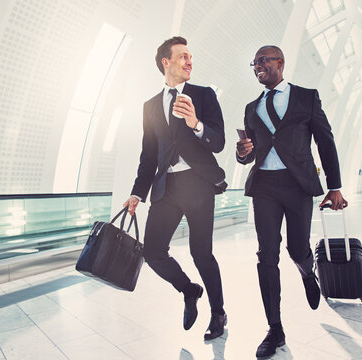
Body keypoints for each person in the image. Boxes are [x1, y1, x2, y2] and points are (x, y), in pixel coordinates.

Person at [236, 45, 347, 358]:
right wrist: (242, 152)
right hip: (264, 187)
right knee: (266, 255)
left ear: (279, 63)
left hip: (297, 185)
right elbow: (248, 153)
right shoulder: (250, 106)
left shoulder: (306, 97)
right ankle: (275, 328)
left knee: (297, 248)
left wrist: (334, 186)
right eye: (253, 62)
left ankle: (307, 271)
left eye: (262, 61)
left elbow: (326, 141)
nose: (257, 66)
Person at [123, 36, 228, 340]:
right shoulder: (150, 106)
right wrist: (136, 193)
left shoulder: (204, 95)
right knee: (153, 252)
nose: (189, 61)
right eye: (183, 56)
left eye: (190, 56)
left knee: (201, 253)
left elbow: (218, 142)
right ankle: (189, 289)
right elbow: (148, 156)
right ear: (165, 62)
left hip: (198, 184)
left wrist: (196, 123)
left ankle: (218, 312)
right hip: (165, 187)